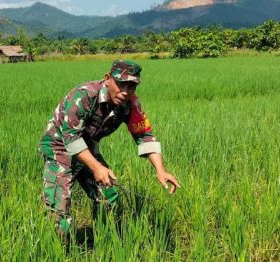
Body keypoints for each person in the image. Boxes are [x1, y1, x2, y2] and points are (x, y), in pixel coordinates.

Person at [38, 59, 180, 235]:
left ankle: (102, 242)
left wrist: (161, 170)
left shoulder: (131, 105)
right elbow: (71, 138)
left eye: (132, 86)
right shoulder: (84, 95)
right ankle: (56, 251)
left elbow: (145, 136)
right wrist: (97, 167)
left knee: (108, 197)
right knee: (58, 208)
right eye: (121, 84)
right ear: (107, 79)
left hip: (88, 147)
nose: (125, 92)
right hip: (59, 148)